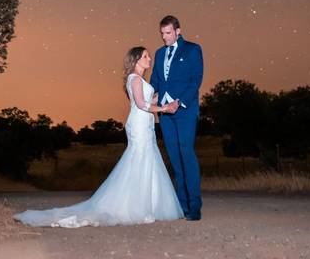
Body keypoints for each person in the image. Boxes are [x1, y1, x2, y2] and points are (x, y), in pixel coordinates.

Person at [14, 47, 184, 227]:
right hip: (139, 124)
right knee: (139, 159)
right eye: (145, 56)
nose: (149, 59)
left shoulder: (140, 80)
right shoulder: (134, 79)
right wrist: (164, 109)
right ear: (136, 60)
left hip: (146, 123)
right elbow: (141, 104)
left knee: (147, 160)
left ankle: (148, 206)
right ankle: (133, 206)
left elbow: (149, 101)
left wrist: (168, 101)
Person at [150, 15, 203, 220]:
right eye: (162, 34)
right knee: (174, 158)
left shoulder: (192, 49)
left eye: (168, 33)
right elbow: (155, 80)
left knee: (186, 154)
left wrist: (179, 102)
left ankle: (195, 205)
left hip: (184, 111)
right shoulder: (159, 53)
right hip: (165, 113)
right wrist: (142, 94)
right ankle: (182, 205)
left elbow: (195, 80)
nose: (165, 37)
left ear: (178, 31)